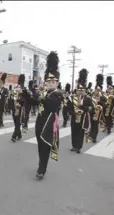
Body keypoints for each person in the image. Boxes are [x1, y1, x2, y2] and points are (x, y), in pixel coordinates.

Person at [34, 51, 63, 179]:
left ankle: (42, 169)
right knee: (40, 146)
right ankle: (41, 164)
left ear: (57, 83)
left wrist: (41, 97)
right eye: (48, 81)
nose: (50, 83)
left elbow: (52, 105)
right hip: (39, 122)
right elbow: (35, 102)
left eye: (53, 81)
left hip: (49, 124)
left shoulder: (58, 94)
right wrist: (31, 94)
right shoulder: (44, 93)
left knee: (45, 146)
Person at [69, 69, 93, 153]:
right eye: (79, 90)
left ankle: (79, 147)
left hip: (83, 117)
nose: (80, 91)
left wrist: (82, 107)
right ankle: (74, 146)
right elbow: (69, 107)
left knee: (80, 132)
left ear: (85, 91)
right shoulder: (73, 98)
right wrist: (72, 113)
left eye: (82, 90)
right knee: (74, 131)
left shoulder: (88, 99)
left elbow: (90, 108)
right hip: (74, 116)